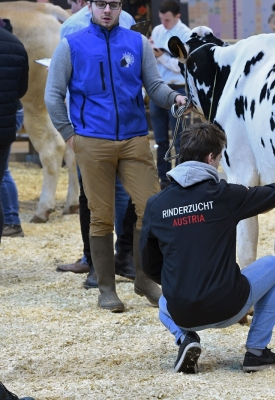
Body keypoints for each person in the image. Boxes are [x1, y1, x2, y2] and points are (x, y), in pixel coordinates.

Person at [45, 0, 188, 312]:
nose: (107, 10)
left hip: (135, 138)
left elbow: (154, 86)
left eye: (113, 4)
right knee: (101, 215)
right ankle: (106, 288)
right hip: (91, 140)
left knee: (150, 208)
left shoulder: (136, 42)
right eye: (100, 4)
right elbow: (53, 94)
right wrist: (69, 134)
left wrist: (175, 97)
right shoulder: (71, 45)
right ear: (91, 7)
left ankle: (143, 278)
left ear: (121, 7)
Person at [140, 122, 275, 373]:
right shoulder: (224, 195)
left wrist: (180, 283)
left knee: (165, 301)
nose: (218, 164)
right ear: (209, 158)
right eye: (218, 158)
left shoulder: (156, 205)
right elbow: (267, 194)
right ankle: (256, 351)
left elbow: (149, 265)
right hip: (228, 307)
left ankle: (186, 338)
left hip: (182, 312)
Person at [55, 0, 137, 285]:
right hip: (119, 125)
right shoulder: (125, 19)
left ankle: (94, 261)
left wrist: (69, 131)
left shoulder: (71, 25)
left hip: (91, 126)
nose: (106, 10)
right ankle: (123, 258)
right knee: (123, 194)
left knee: (91, 196)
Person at [149, 0, 191, 189]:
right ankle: (164, 178)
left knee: (179, 138)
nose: (163, 23)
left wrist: (161, 56)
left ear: (177, 17)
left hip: (179, 88)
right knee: (159, 138)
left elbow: (182, 65)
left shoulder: (186, 34)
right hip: (158, 88)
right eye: (161, 19)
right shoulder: (157, 31)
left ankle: (179, 178)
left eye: (167, 20)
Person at [0, 17, 28, 247]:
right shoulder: (16, 44)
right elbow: (21, 89)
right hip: (5, 126)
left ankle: (12, 218)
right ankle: (10, 219)